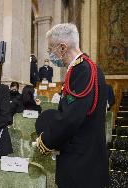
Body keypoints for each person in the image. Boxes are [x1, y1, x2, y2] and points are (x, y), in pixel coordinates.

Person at [35, 23, 109, 188]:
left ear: (62, 47)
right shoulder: (86, 68)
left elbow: (71, 118)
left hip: (81, 164)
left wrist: (46, 140)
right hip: (85, 159)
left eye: (50, 49)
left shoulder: (82, 70)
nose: (49, 54)